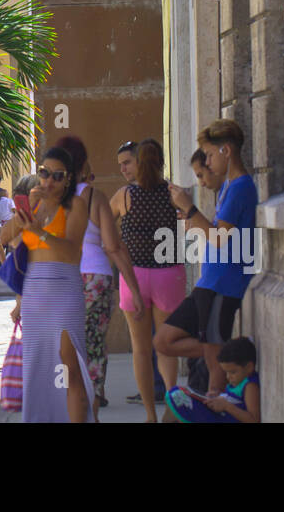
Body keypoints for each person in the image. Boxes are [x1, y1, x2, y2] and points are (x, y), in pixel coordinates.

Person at [155, 119, 259, 395]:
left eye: (211, 155)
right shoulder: (228, 187)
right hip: (209, 281)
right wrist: (194, 219)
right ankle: (225, 352)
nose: (208, 162)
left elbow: (220, 238)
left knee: (215, 366)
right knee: (163, 340)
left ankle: (215, 406)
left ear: (226, 151)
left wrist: (190, 210)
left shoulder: (241, 188)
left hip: (224, 284)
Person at [0, 146, 95, 423]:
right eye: (44, 173)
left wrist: (39, 231)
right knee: (38, 368)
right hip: (35, 289)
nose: (49, 181)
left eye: (57, 175)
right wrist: (25, 214)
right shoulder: (34, 203)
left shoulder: (75, 205)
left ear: (68, 179)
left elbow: (72, 252)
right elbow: (4, 237)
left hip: (64, 287)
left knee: (69, 365)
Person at [51, 136, 143, 415]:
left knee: (65, 350)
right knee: (92, 347)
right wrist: (133, 288)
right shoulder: (93, 196)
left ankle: (69, 405)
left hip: (61, 279)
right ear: (82, 162)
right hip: (95, 278)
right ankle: (92, 403)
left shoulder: (50, 197)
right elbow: (113, 246)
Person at [107, 138, 184, 421]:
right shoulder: (175, 193)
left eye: (127, 163)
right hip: (169, 274)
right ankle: (172, 411)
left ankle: (150, 414)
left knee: (140, 350)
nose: (124, 170)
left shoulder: (124, 196)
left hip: (134, 275)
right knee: (167, 345)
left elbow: (103, 226)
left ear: (140, 163)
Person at [164, 336, 260, 423]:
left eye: (232, 372)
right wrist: (218, 396)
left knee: (178, 399)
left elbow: (254, 419)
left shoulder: (250, 385)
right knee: (175, 394)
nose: (228, 377)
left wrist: (226, 406)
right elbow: (234, 399)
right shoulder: (239, 380)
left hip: (222, 418)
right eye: (226, 372)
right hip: (220, 415)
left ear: (249, 367)